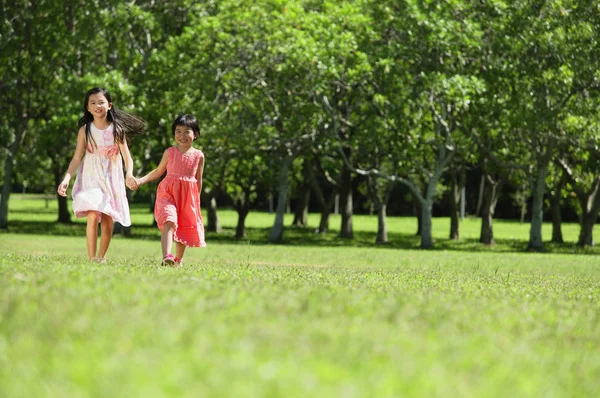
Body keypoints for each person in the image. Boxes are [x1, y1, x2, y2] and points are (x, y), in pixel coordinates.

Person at [57, 87, 144, 263]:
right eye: (93, 102)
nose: (97, 105)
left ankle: (101, 257)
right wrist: (66, 178)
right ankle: (91, 258)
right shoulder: (85, 130)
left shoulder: (117, 130)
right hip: (91, 175)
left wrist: (130, 175)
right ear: (88, 108)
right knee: (92, 213)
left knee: (107, 219)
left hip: (111, 175)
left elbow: (127, 157)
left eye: (101, 102)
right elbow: (76, 158)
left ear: (109, 105)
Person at [134, 114, 206, 267]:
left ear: (196, 134)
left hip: (188, 197)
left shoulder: (199, 155)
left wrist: (196, 201)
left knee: (183, 227)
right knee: (169, 219)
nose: (182, 135)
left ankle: (178, 260)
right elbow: (158, 171)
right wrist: (140, 180)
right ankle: (167, 256)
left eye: (187, 131)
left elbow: (199, 179)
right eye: (178, 131)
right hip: (168, 192)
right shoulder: (170, 152)